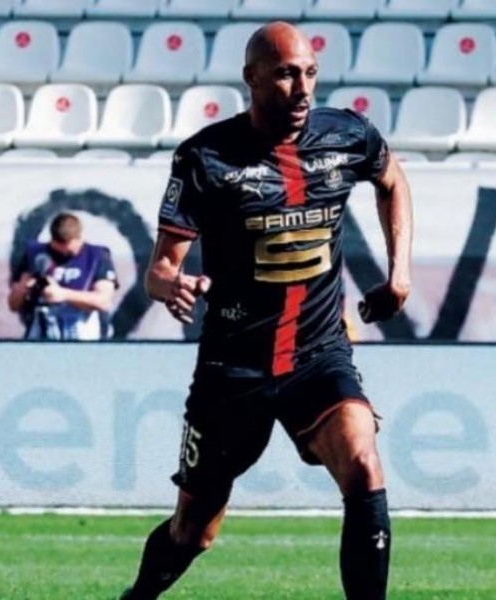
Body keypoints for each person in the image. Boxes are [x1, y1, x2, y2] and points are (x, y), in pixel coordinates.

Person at [120, 21, 413, 600]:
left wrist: (398, 271)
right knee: (193, 532)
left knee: (363, 465)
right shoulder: (205, 158)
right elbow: (160, 267)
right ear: (251, 78)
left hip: (319, 353)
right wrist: (169, 284)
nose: (301, 88)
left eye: (309, 73)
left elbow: (392, 178)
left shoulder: (347, 135)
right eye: (284, 74)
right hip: (234, 368)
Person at [7, 212, 118, 340]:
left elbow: (104, 301)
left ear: (79, 239)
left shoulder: (97, 256)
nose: (64, 255)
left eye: (70, 251)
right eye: (58, 251)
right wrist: (25, 288)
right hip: (43, 333)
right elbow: (13, 304)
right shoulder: (35, 255)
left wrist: (63, 295)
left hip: (84, 334)